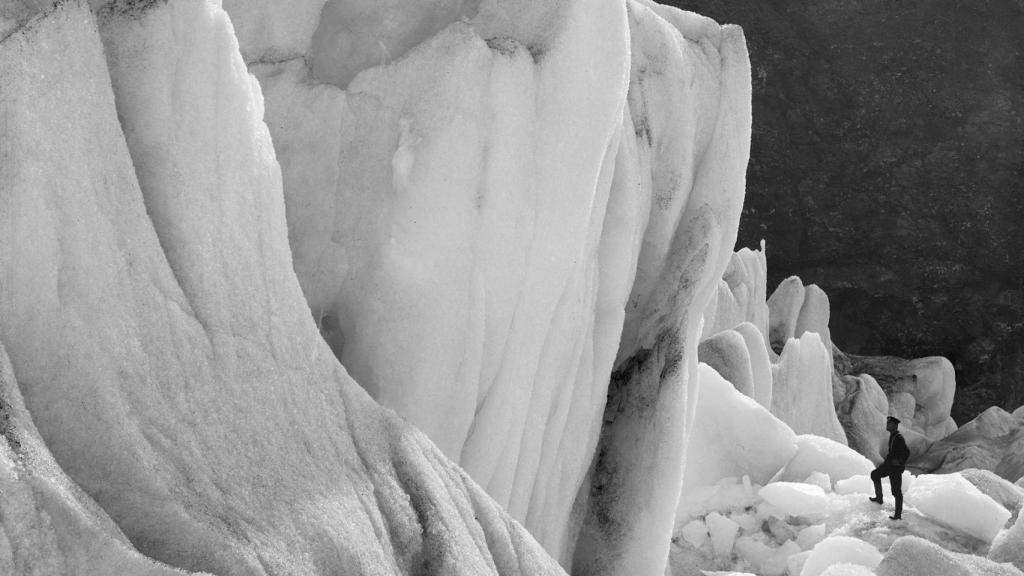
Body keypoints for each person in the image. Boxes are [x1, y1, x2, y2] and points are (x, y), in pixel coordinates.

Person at [869, 416, 910, 520]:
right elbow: (893, 452)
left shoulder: (898, 437)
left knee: (896, 491)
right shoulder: (893, 435)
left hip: (895, 468)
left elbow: (907, 452)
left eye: (890, 424)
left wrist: (899, 462)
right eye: (887, 423)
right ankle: (879, 498)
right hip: (889, 465)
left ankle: (898, 515)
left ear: (895, 426)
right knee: (875, 474)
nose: (887, 425)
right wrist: (885, 463)